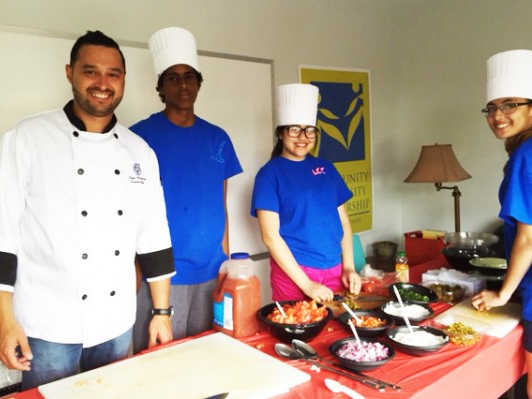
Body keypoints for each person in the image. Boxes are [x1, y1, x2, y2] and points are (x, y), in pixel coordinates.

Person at [0, 30, 175, 390]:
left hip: (116, 323)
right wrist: (3, 322)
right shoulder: (26, 139)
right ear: (70, 73)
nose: (102, 83)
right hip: (47, 326)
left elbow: (154, 236)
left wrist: (161, 313)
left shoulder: (139, 151)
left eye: (113, 73)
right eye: (90, 71)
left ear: (123, 79)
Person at [131, 27, 242, 348]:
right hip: (162, 276)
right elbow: (131, 214)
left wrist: (226, 262)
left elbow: (220, 205)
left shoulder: (218, 138)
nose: (183, 85)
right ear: (161, 87)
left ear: (198, 83)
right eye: (173, 78)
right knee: (159, 363)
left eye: (190, 77)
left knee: (208, 354)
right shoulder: (139, 138)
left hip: (210, 270)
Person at [471, 49, 532, 398]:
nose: (498, 115)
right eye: (492, 107)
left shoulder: (527, 154)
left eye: (509, 105)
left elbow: (529, 238)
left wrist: (502, 294)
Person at [251, 83, 361, 303]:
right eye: (294, 129)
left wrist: (349, 267)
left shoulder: (327, 168)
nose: (303, 136)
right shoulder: (269, 174)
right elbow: (270, 237)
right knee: (297, 330)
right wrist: (307, 284)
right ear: (281, 133)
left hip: (334, 269)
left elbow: (345, 223)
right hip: (294, 274)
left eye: (309, 130)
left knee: (335, 330)